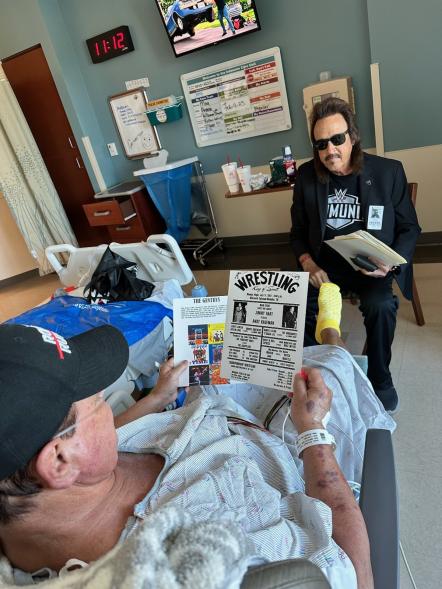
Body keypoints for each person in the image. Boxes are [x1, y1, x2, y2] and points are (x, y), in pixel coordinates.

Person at [0, 307, 392, 589]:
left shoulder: (32, 488)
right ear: (60, 461)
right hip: (293, 451)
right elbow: (356, 573)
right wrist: (313, 431)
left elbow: (87, 448)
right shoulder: (215, 555)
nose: (106, 404)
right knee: (336, 365)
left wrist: (155, 399)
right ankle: (332, 334)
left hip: (205, 415)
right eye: (98, 402)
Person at [290, 97, 421, 412]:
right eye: (321, 144)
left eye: (337, 139)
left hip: (371, 268)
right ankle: (322, 373)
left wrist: (390, 263)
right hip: (324, 268)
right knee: (294, 305)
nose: (330, 150)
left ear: (353, 137)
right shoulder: (307, 176)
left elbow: (410, 228)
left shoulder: (388, 172)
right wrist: (307, 262)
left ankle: (380, 378)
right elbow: (296, 232)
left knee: (381, 305)